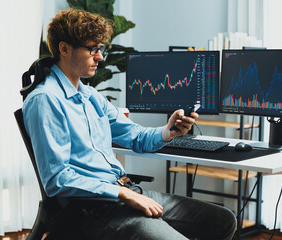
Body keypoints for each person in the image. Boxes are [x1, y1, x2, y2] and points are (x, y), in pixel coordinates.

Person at [23, 8, 236, 240]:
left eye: (101, 49)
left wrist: (168, 132)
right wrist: (123, 195)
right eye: (92, 49)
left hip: (124, 192)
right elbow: (58, 179)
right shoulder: (46, 100)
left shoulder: (90, 96)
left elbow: (135, 136)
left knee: (223, 221)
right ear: (64, 48)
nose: (100, 57)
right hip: (91, 209)